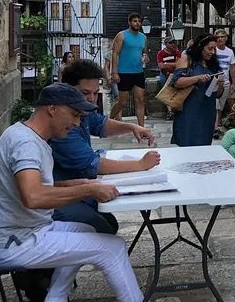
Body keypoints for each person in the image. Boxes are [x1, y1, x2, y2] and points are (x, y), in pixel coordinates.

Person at [0, 83, 186, 302]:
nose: (77, 123)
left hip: (22, 233)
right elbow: (33, 196)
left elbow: (35, 188)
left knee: (87, 230)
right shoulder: (26, 144)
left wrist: (76, 185)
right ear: (52, 109)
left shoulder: (27, 136)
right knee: (112, 248)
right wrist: (87, 190)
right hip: (12, 243)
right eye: (75, 115)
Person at [51, 59, 158, 234]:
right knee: (104, 228)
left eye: (95, 93)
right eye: (85, 93)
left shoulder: (80, 110)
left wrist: (131, 127)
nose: (92, 99)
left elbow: (100, 124)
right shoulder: (63, 125)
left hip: (78, 188)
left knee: (109, 222)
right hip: (59, 199)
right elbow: (93, 165)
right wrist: (140, 164)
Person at [169, 34, 225, 147]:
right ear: (200, 47)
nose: (212, 52)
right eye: (209, 48)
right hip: (189, 108)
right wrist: (197, 78)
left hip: (207, 110)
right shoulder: (187, 59)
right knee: (187, 142)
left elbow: (218, 94)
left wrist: (220, 84)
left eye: (214, 49)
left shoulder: (213, 64)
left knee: (204, 144)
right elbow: (176, 82)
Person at [109, 13, 149, 127]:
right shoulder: (121, 35)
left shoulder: (143, 37)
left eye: (139, 21)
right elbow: (115, 53)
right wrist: (114, 72)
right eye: (135, 21)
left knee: (140, 99)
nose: (137, 23)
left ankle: (141, 128)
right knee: (122, 102)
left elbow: (145, 52)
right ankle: (108, 121)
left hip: (138, 72)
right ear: (129, 22)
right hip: (124, 72)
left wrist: (146, 58)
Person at [212, 30, 235, 136]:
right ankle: (215, 127)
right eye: (218, 37)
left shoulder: (230, 52)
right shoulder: (213, 50)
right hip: (214, 81)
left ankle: (217, 125)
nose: (220, 39)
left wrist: (233, 83)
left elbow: (232, 67)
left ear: (226, 38)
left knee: (220, 106)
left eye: (222, 37)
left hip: (226, 81)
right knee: (215, 104)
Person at [156, 37, 181, 120]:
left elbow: (179, 64)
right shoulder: (160, 53)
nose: (172, 44)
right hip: (165, 74)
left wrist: (166, 63)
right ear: (165, 44)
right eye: (170, 43)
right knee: (165, 89)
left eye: (173, 42)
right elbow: (161, 66)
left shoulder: (177, 52)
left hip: (175, 73)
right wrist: (173, 64)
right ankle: (170, 111)